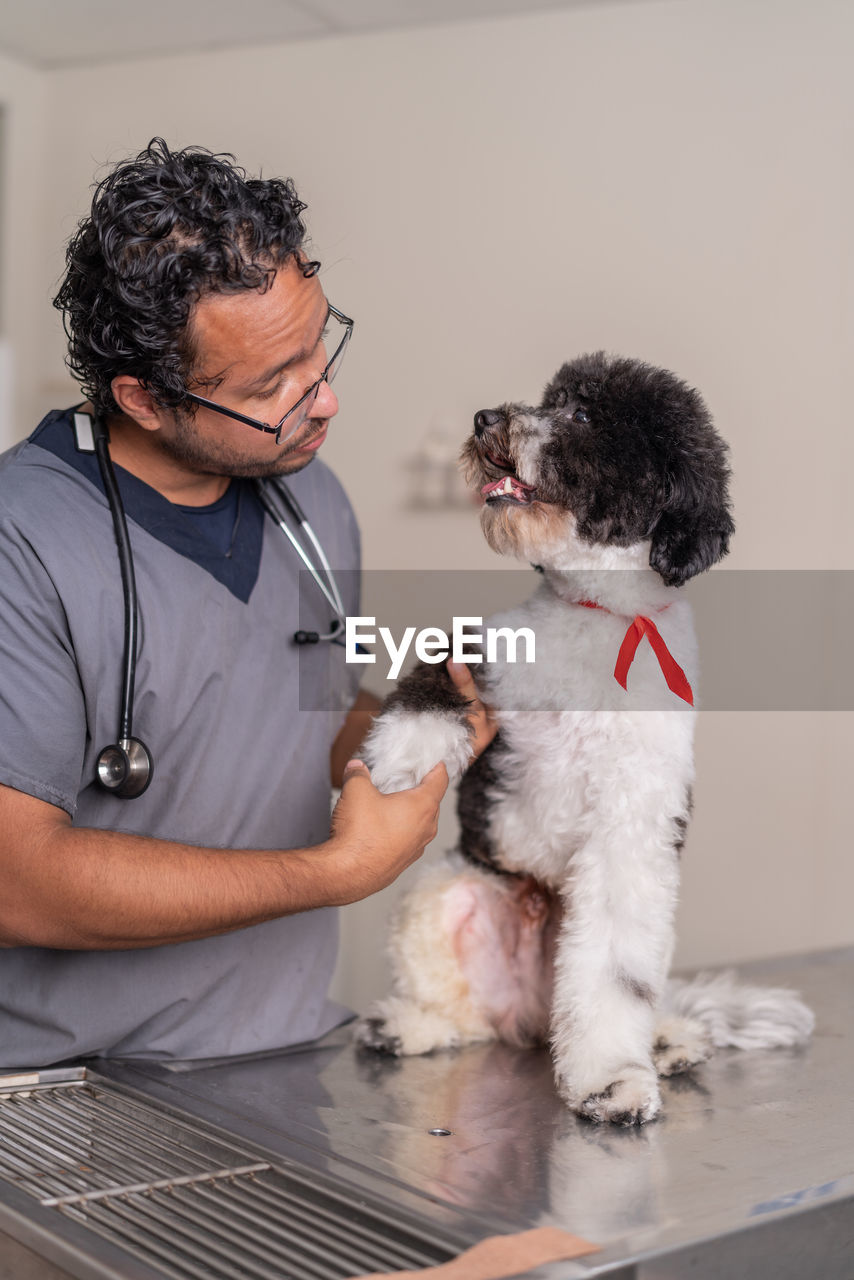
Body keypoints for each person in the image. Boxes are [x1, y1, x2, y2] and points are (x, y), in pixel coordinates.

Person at [0, 139, 493, 1068]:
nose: (325, 401)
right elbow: (15, 883)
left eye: (318, 349)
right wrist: (337, 873)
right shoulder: (20, 539)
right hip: (62, 1095)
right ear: (143, 399)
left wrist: (427, 730)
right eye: (273, 386)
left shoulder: (315, 502)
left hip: (282, 1056)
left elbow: (306, 712)